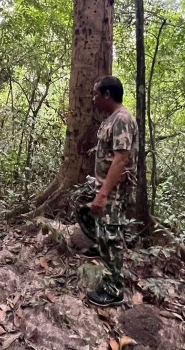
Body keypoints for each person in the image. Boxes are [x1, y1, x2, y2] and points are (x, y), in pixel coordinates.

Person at [78, 75, 138, 307]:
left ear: (107, 95)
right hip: (105, 186)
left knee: (111, 237)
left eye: (96, 94)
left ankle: (115, 290)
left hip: (113, 191)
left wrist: (103, 194)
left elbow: (121, 159)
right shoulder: (111, 120)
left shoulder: (122, 119)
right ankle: (101, 249)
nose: (93, 99)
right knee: (100, 228)